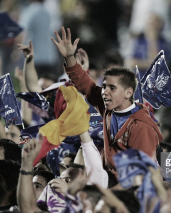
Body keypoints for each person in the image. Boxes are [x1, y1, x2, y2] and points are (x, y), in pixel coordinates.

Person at [52, 27, 163, 186]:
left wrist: (103, 196)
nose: (104, 92)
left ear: (128, 92)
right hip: (109, 179)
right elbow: (85, 84)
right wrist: (70, 57)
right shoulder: (109, 107)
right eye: (104, 87)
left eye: (112, 88)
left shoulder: (141, 126)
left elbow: (139, 179)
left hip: (134, 192)